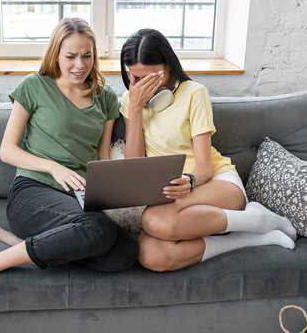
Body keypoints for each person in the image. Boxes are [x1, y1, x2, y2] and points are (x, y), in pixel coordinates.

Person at [0, 18, 138, 300]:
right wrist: (54, 167)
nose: (79, 64)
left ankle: (24, 246)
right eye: (71, 56)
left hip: (79, 197)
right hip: (33, 191)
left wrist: (117, 187)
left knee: (125, 254)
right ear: (56, 54)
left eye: (87, 56)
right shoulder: (35, 86)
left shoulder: (105, 96)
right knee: (96, 229)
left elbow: (101, 157)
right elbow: (7, 150)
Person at [119, 28, 296, 272]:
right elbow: (134, 163)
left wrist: (189, 181)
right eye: (137, 78)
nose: (144, 86)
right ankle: (253, 234)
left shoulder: (194, 93)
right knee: (151, 255)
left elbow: (204, 166)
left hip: (215, 183)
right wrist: (136, 108)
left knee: (153, 219)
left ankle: (259, 218)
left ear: (168, 65)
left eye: (152, 77)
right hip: (172, 196)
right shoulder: (131, 100)